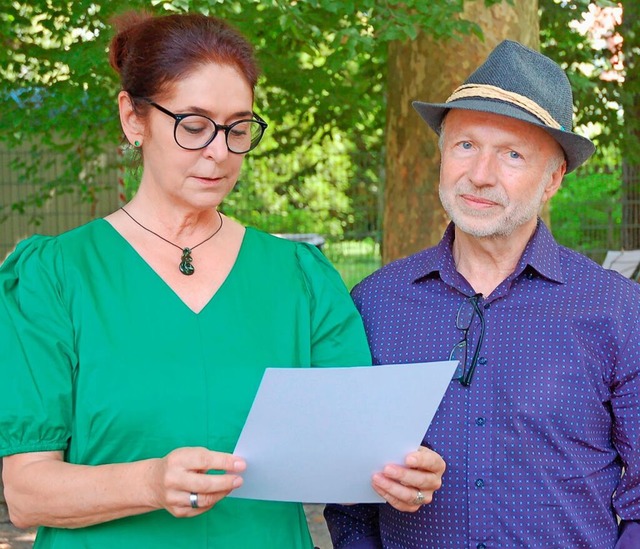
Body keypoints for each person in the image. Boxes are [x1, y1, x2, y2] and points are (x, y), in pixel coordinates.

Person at [0, 11, 444, 549]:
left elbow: (355, 455)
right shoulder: (54, 276)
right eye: (193, 125)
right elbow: (26, 493)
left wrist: (401, 477)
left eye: (238, 128)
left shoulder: (300, 280)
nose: (219, 151)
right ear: (132, 119)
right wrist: (147, 483)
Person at [325, 39, 640, 548]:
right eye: (466, 145)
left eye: (512, 154)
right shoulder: (374, 304)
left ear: (553, 178)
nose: (480, 175)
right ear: (443, 154)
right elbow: (348, 501)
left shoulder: (618, 309)